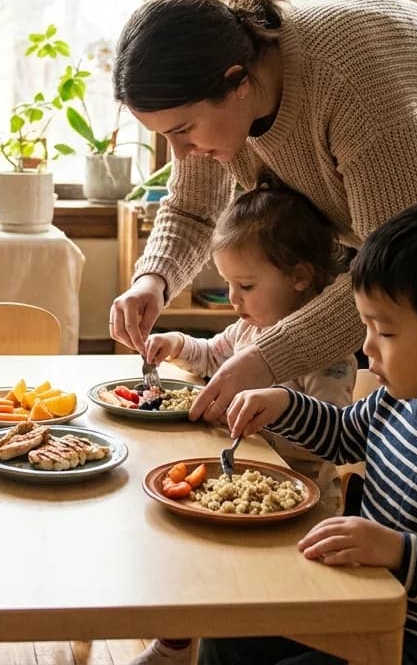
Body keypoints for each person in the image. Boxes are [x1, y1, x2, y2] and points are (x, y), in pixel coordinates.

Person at [108, 0, 417, 421]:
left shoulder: (352, 83)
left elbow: (393, 270)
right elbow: (192, 209)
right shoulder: (213, 107)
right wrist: (153, 281)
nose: (180, 152)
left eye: (183, 130)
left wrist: (268, 355)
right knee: (375, 371)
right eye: (166, 135)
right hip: (385, 211)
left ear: (238, 83)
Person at [188, 196, 417, 665]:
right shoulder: (397, 401)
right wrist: (283, 403)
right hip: (367, 609)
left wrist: (401, 551)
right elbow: (344, 434)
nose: (367, 346)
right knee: (228, 636)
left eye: (384, 331)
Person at [143, 174, 354, 507]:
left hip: (303, 499)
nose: (232, 298)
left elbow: (333, 435)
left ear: (298, 277)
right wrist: (177, 345)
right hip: (246, 481)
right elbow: (213, 356)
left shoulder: (325, 354)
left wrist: (278, 409)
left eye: (246, 286)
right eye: (228, 283)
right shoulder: (247, 328)